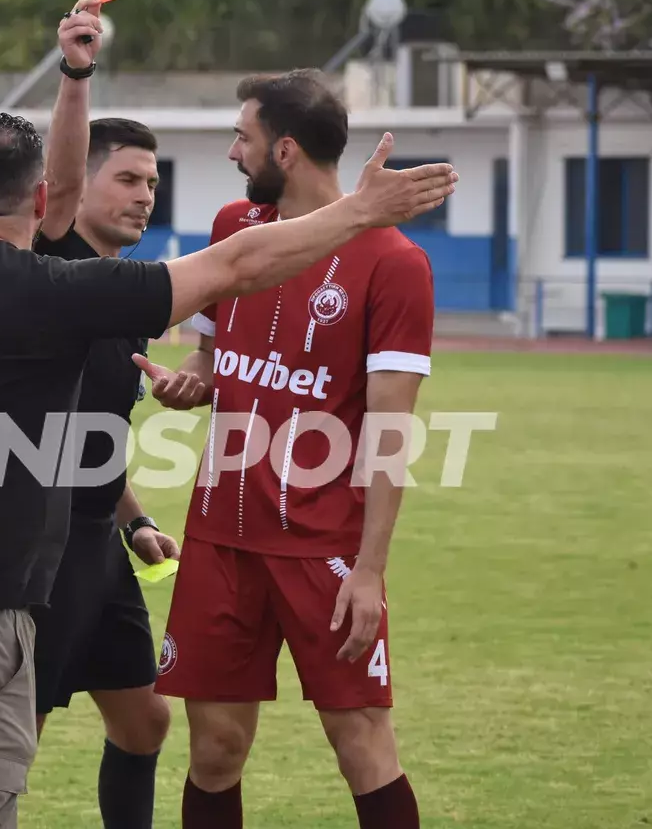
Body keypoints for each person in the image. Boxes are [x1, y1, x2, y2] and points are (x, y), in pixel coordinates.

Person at [0, 98, 456, 828]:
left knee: (108, 735)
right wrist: (363, 210)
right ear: (45, 200)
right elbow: (237, 264)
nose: (146, 194)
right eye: (128, 179)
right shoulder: (61, 291)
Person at [138, 69, 435, 829]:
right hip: (220, 539)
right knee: (215, 750)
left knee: (361, 743)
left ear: (287, 150)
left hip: (323, 550)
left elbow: (391, 431)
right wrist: (193, 381)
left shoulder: (395, 262)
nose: (232, 152)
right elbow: (211, 356)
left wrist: (369, 571)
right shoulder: (233, 228)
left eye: (243, 137)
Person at [29, 0, 179, 829]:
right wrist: (76, 71)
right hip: (32, 548)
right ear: (79, 184)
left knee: (145, 721)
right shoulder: (46, 265)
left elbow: (93, 442)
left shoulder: (127, 298)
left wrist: (136, 520)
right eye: (126, 178)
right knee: (12, 736)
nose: (144, 195)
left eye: (152, 182)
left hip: (97, 542)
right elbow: (54, 180)